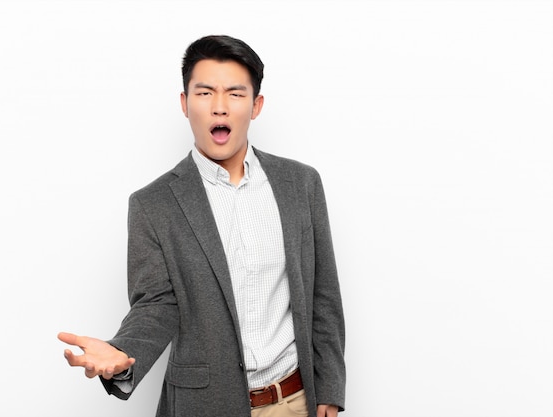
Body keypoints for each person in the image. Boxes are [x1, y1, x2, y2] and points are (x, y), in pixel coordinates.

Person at [58, 34, 346, 417]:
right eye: (205, 93)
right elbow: (156, 305)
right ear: (185, 103)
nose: (220, 108)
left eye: (235, 94)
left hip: (294, 402)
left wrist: (328, 389)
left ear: (256, 105)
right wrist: (123, 351)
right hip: (205, 406)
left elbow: (322, 294)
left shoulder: (300, 184)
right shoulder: (152, 204)